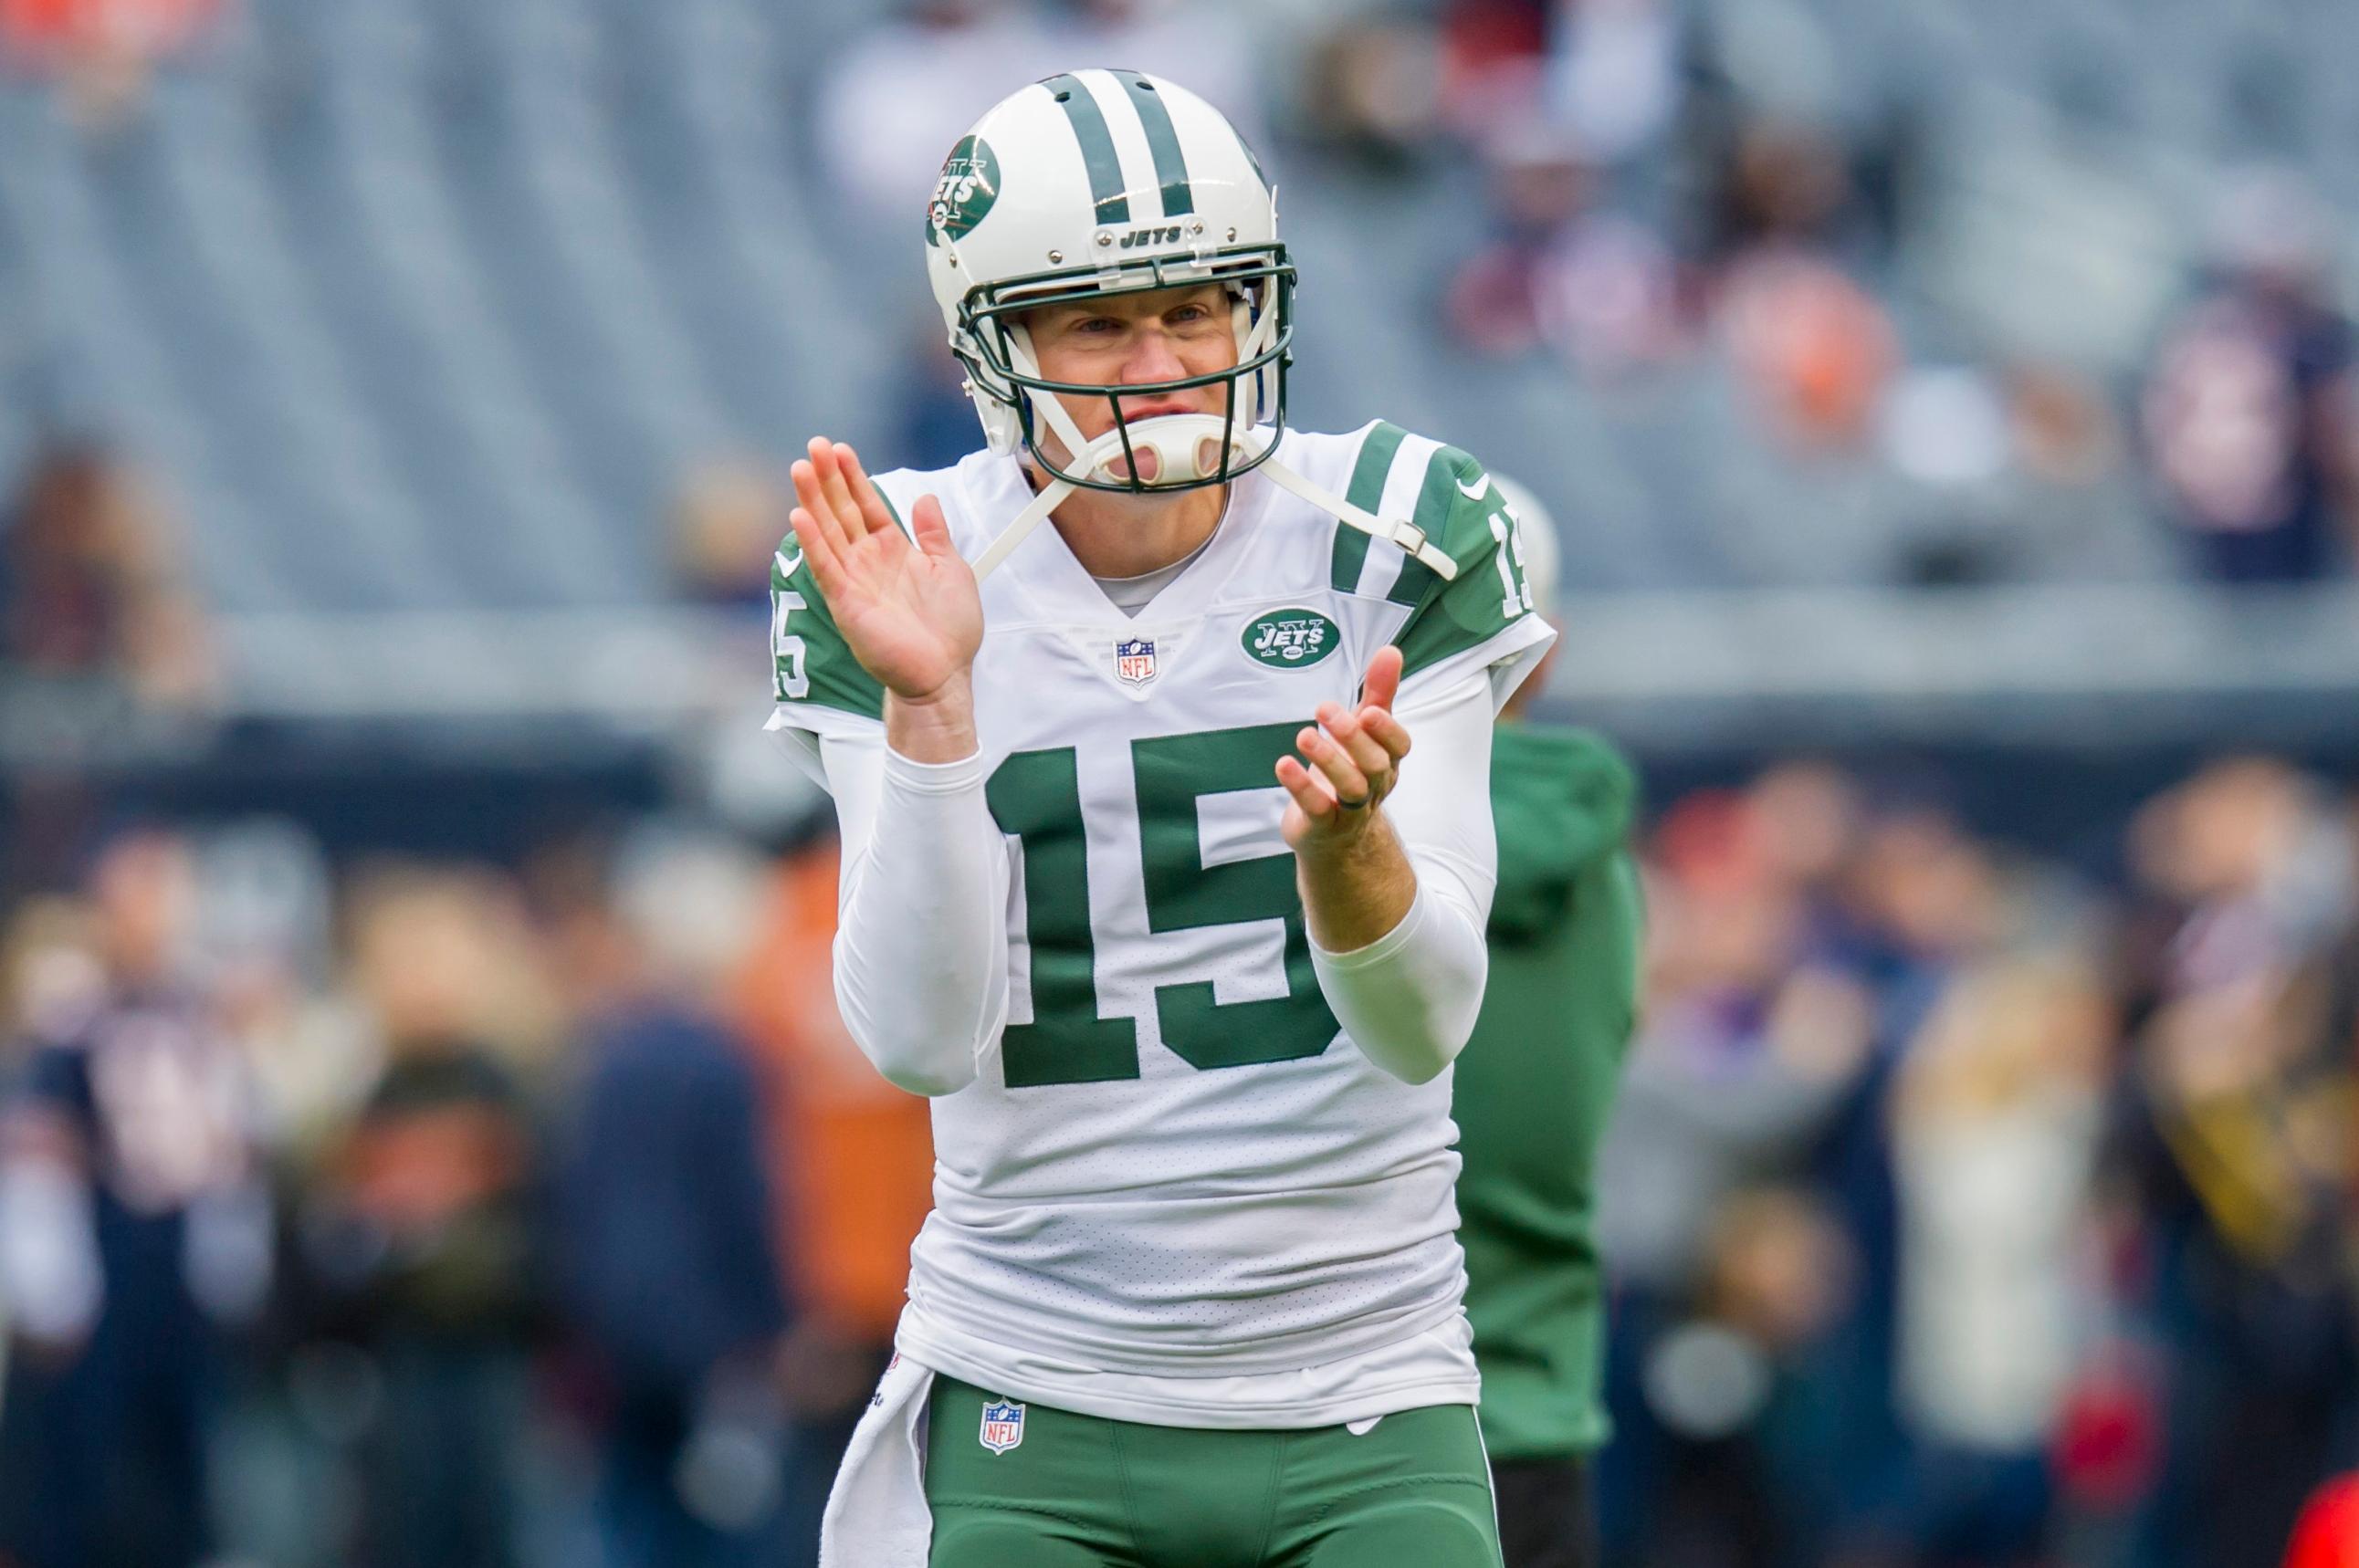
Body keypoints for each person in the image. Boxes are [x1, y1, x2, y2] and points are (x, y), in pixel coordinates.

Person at [766, 70, 1552, 1568]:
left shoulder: (1395, 528)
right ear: (994, 345)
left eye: (1196, 309)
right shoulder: (901, 560)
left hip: (1362, 1391)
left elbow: (1424, 1019)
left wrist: (1350, 853)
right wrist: (932, 715)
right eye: (1099, 321)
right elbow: (919, 1039)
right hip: (1036, 1392)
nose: (1163, 361)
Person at [1449, 481, 1643, 1568]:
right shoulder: (1606, 870)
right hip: (1536, 1415)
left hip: (1335, 1438)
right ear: (1546, 651)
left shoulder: (1292, 848)